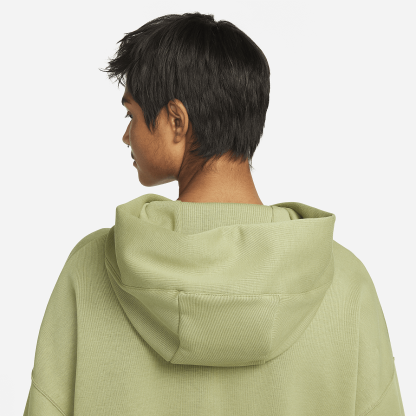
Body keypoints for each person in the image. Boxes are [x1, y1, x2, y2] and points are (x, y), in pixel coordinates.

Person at [23, 12, 405, 416]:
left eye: (130, 115)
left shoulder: (91, 271)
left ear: (176, 121)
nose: (126, 135)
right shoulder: (344, 283)